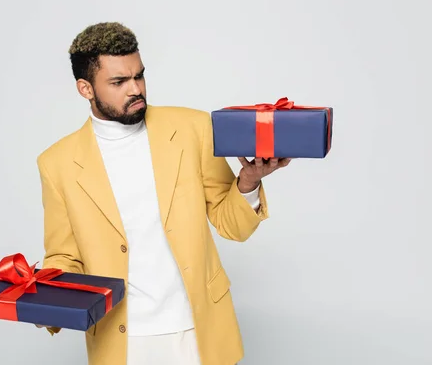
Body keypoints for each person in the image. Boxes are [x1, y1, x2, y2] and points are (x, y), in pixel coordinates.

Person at [35, 22, 290, 365]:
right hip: (120, 338)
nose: (135, 89)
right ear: (86, 88)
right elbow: (64, 257)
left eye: (139, 76)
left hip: (197, 331)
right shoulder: (57, 163)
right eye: (118, 82)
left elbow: (233, 227)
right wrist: (49, 303)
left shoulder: (193, 129)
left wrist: (248, 182)